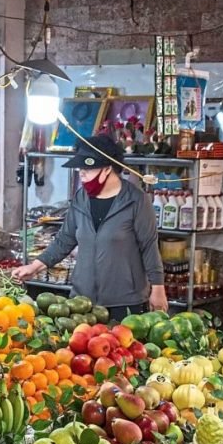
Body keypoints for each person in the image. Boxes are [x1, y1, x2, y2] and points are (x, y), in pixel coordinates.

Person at [12, 135, 168, 320]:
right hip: (82, 302)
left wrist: (158, 288)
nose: (81, 173)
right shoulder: (81, 198)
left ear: (107, 169)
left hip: (124, 302)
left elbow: (149, 246)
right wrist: (35, 266)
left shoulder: (136, 201)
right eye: (80, 169)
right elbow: (64, 240)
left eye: (87, 169)